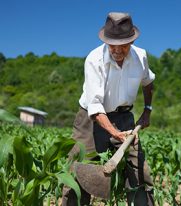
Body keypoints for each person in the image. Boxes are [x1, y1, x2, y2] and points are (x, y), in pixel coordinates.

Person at [62, 12, 155, 206]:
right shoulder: (94, 60)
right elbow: (95, 108)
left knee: (138, 170)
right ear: (106, 40)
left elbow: (148, 82)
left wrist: (147, 109)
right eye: (113, 44)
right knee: (76, 172)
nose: (117, 50)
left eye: (123, 45)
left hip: (124, 117)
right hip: (90, 120)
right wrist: (115, 133)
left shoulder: (141, 56)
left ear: (131, 41)